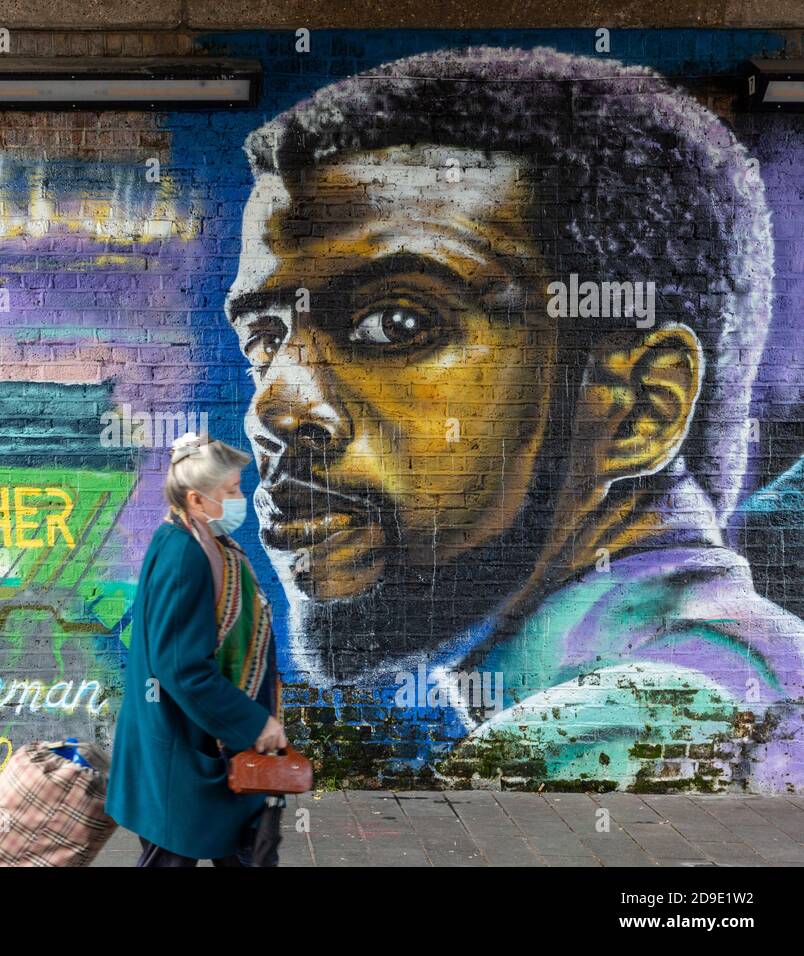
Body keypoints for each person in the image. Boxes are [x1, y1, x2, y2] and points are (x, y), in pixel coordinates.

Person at [224, 45, 804, 789]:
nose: (273, 409)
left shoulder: (615, 736)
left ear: (641, 408)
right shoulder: (728, 677)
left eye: (397, 323)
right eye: (264, 341)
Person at [105, 432, 287, 865]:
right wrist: (255, 723)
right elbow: (181, 667)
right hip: (181, 754)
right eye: (231, 491)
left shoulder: (199, 541)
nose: (242, 498)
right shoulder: (185, 555)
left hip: (198, 747)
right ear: (197, 500)